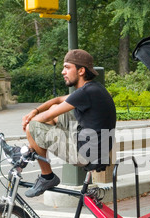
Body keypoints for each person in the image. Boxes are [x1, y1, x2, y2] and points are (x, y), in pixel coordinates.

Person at [22, 49, 116, 197]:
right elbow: (57, 101)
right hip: (93, 146)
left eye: (67, 67)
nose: (62, 72)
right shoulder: (92, 89)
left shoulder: (86, 92)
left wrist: (29, 126)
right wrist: (34, 111)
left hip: (85, 153)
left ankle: (47, 177)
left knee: (31, 127)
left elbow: (45, 117)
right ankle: (34, 147)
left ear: (81, 71)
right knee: (50, 111)